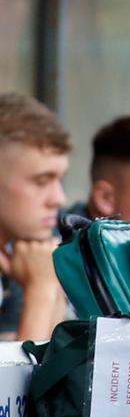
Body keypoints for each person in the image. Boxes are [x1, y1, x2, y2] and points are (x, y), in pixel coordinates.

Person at [0, 94, 69, 342]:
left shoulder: (19, 253)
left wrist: (50, 285)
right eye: (41, 181)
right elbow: (21, 381)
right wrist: (42, 289)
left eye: (58, 180)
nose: (58, 199)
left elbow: (53, 367)